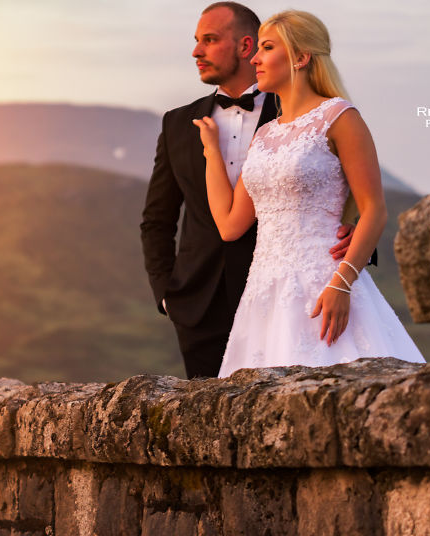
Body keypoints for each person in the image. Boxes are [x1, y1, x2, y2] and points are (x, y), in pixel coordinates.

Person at [192, 10, 425, 376]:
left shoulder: (340, 117)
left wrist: (343, 284)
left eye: (267, 48)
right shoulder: (265, 135)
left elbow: (374, 209)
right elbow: (229, 225)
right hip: (264, 297)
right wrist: (211, 152)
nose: (254, 59)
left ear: (301, 57)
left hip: (325, 285)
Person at [140, 2, 362, 379]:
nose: (197, 51)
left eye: (209, 40)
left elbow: (355, 195)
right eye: (197, 41)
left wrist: (354, 260)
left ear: (245, 46)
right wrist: (168, 295)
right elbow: (157, 220)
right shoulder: (178, 123)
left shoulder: (308, 111)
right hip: (198, 305)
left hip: (297, 298)